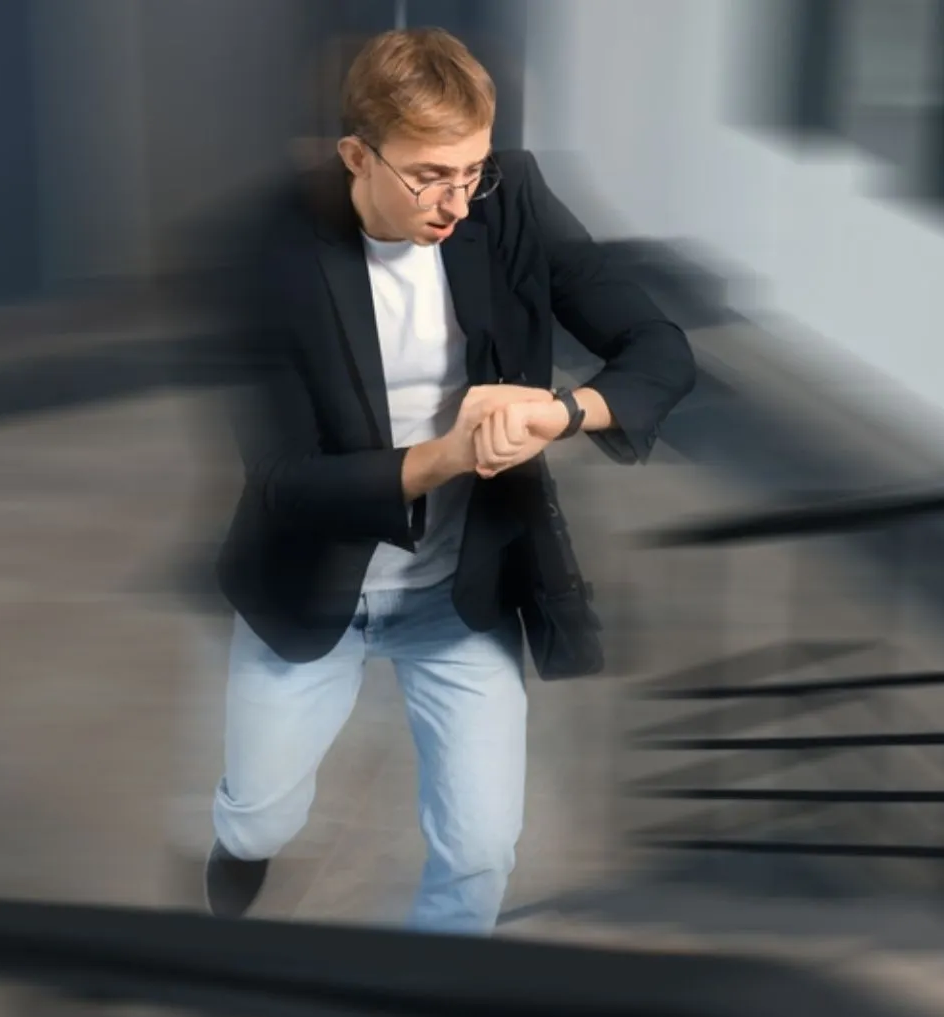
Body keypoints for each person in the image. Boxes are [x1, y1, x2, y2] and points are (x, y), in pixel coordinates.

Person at [196, 27, 696, 935]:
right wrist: (450, 456)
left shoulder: (507, 202)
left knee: (479, 851)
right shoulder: (266, 253)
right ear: (357, 154)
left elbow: (660, 349)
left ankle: (427, 1003)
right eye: (430, 174)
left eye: (472, 171)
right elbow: (283, 482)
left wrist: (566, 412)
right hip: (310, 587)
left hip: (458, 594)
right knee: (263, 811)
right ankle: (240, 845)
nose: (456, 203)